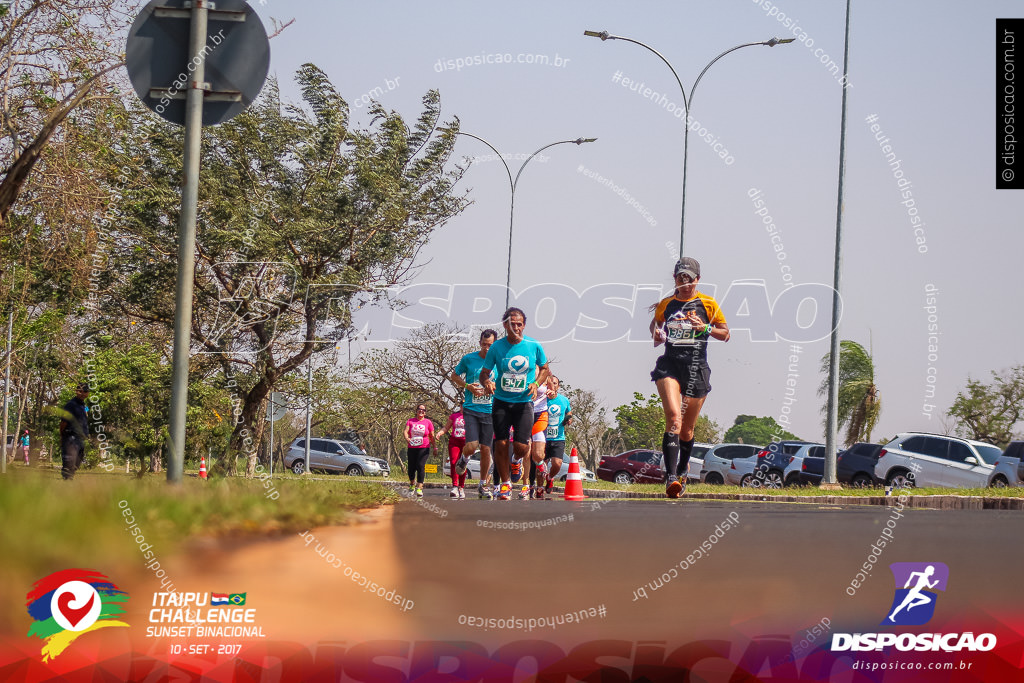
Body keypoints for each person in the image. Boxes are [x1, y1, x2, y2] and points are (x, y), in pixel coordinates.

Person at [650, 258, 729, 498]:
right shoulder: (666, 304)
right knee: (674, 418)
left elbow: (725, 334)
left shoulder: (708, 303)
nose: (684, 284)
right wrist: (657, 333)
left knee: (687, 429)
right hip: (670, 365)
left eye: (689, 279)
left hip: (696, 368)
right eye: (679, 279)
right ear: (674, 279)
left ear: (698, 279)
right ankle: (671, 477)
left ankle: (683, 469)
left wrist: (704, 328)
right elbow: (656, 326)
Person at [479, 307, 549, 501]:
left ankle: (516, 460)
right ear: (505, 325)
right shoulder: (496, 347)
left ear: (524, 325)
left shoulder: (533, 345)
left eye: (519, 324)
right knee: (500, 442)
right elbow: (484, 372)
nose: (516, 327)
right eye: (512, 324)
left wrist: (536, 383)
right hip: (501, 401)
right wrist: (487, 382)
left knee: (521, 446)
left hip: (524, 402)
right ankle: (505, 484)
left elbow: (544, 368)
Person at [450, 329, 498, 499]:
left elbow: (504, 383)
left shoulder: (499, 361)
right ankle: (464, 458)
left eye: (490, 345)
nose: (486, 348)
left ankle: (482, 485)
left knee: (486, 449)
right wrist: (467, 386)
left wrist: (494, 387)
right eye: (484, 345)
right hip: (471, 409)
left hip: (491, 411)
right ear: (479, 343)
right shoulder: (469, 359)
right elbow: (454, 376)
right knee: (471, 446)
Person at [541, 376, 572, 496]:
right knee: (540, 466)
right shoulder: (541, 399)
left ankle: (550, 478)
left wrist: (569, 419)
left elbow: (568, 412)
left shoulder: (564, 400)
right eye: (549, 383)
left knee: (557, 463)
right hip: (542, 437)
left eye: (554, 383)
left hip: (558, 437)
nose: (552, 385)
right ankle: (539, 488)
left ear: (558, 386)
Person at [59, 383, 90, 480]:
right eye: (80, 391)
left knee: (78, 460)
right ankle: (67, 479)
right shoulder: (71, 405)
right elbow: (64, 422)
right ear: (77, 392)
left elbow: (86, 415)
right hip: (71, 436)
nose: (83, 394)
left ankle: (70, 477)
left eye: (85, 392)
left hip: (80, 437)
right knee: (69, 460)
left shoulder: (83, 405)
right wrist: (62, 435)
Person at [404, 404, 435, 497]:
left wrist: (435, 447)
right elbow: (405, 431)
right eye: (419, 409)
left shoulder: (428, 422)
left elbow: (432, 436)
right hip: (412, 447)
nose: (421, 411)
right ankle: (412, 484)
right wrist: (407, 438)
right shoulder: (410, 421)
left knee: (420, 465)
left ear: (425, 412)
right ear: (416, 410)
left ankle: (419, 487)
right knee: (411, 468)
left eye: (423, 410)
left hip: (424, 447)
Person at [439, 402, 468, 498]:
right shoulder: (454, 416)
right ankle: (455, 486)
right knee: (454, 462)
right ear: (460, 406)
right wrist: (440, 433)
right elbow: (446, 427)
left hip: (466, 443)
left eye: (466, 405)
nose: (463, 407)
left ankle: (461, 487)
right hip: (454, 442)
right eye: (462, 405)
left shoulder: (471, 416)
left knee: (463, 464)